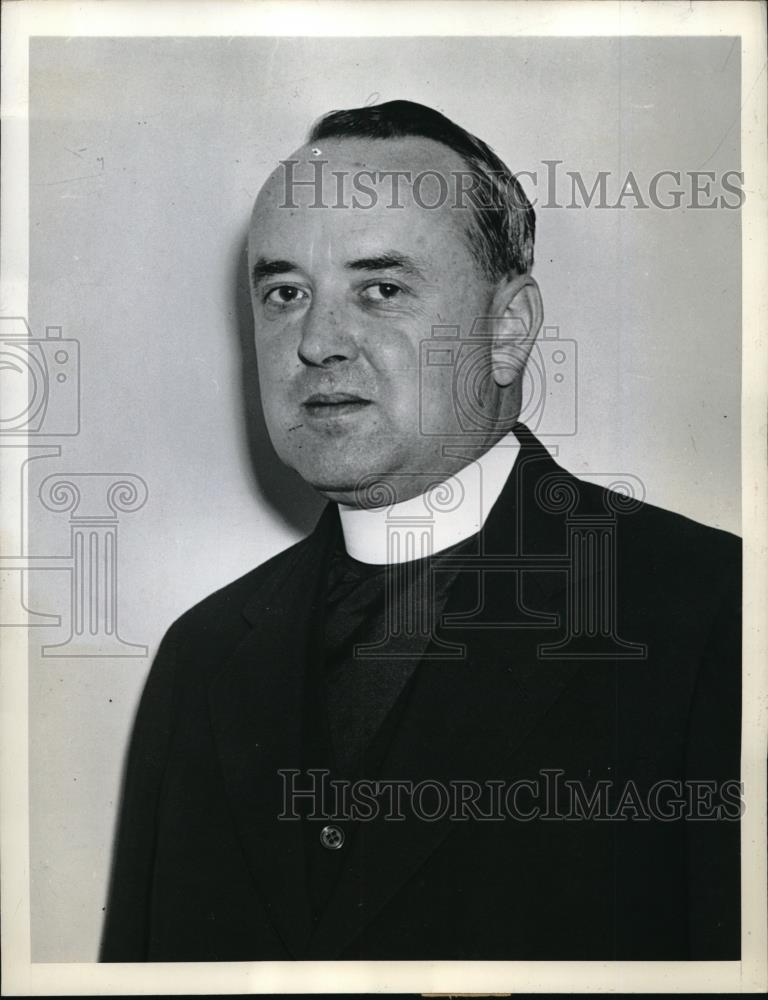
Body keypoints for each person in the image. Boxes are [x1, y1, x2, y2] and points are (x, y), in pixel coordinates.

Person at [100, 100, 741, 962]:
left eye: (382, 289)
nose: (318, 341)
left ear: (506, 331)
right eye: (285, 292)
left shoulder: (711, 611)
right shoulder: (201, 656)